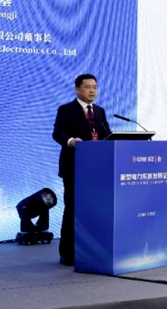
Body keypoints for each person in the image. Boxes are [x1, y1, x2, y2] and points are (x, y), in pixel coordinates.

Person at [52, 74, 112, 266]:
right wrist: (70, 141)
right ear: (77, 89)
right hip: (74, 167)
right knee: (73, 208)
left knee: (96, 209)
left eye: (95, 87)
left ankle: (92, 250)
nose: (92, 90)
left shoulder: (99, 112)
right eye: (87, 87)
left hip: (97, 169)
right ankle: (68, 253)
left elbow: (107, 135)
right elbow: (58, 133)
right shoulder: (66, 109)